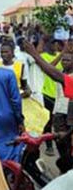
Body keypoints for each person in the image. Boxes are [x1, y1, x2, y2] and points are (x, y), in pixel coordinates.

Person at [23, 41, 73, 173]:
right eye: (64, 59)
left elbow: (55, 74)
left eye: (68, 60)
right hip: (59, 112)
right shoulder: (63, 74)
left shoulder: (69, 78)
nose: (65, 62)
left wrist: (34, 54)